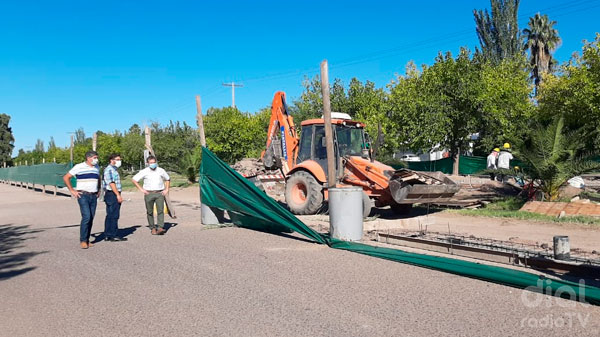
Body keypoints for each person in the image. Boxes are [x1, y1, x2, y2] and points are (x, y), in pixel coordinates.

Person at [63, 150, 101, 249]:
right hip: (83, 195)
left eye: (97, 158)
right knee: (86, 216)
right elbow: (66, 177)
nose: (96, 160)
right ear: (88, 158)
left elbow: (99, 178)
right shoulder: (79, 167)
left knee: (91, 217)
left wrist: (99, 189)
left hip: (93, 195)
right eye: (95, 158)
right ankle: (83, 240)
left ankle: (87, 240)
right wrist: (72, 190)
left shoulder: (96, 167)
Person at [132, 156, 170, 235]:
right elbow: (134, 179)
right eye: (151, 163)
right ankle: (152, 227)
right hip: (149, 193)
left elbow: (167, 179)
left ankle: (160, 227)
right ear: (147, 163)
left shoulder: (161, 170)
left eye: (154, 162)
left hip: (159, 192)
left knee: (160, 211)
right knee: (150, 211)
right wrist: (141, 189)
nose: (153, 164)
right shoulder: (144, 171)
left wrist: (166, 189)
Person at [103, 153, 127, 242]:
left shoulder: (114, 169)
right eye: (117, 159)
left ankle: (107, 234)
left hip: (112, 193)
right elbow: (111, 183)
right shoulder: (109, 170)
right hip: (112, 194)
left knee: (110, 214)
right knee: (114, 215)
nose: (119, 161)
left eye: (119, 159)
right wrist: (118, 195)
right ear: (111, 160)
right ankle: (113, 234)